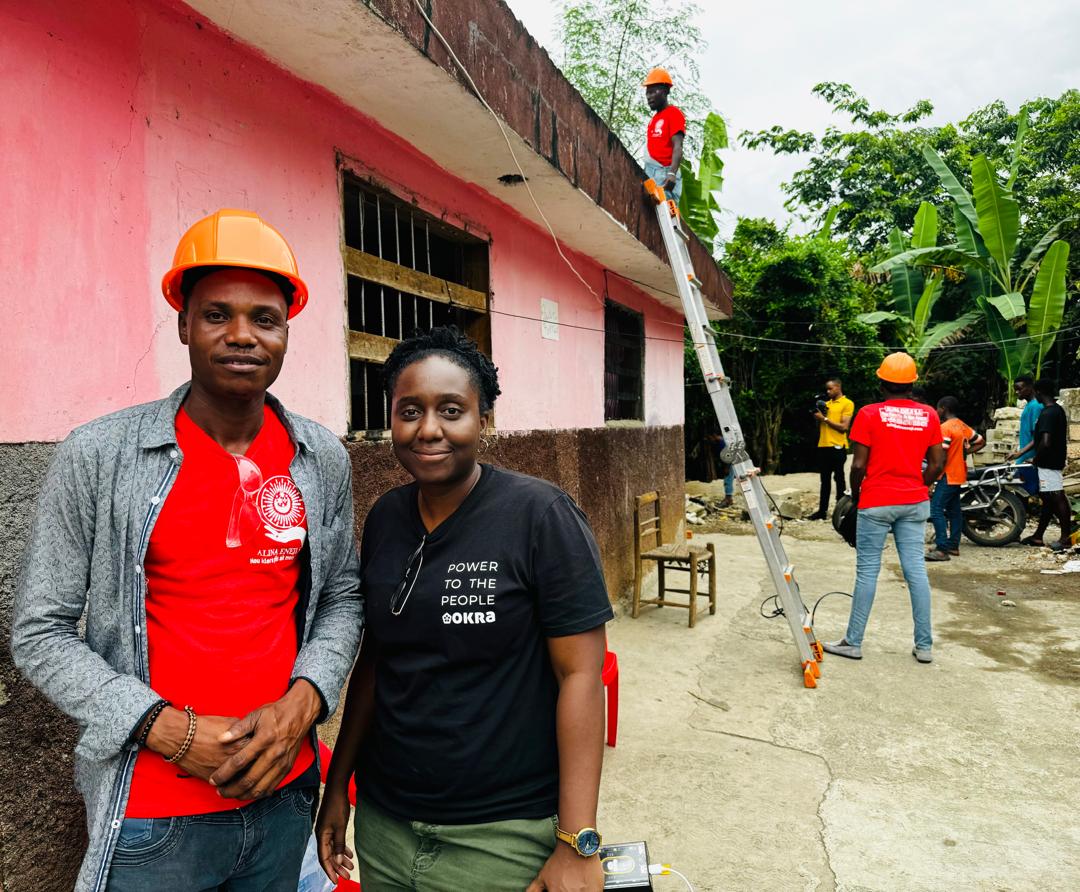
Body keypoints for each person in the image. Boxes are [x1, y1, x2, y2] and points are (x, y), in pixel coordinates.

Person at [10, 209, 363, 892]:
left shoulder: (319, 458)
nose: (242, 336)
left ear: (287, 331)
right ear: (182, 323)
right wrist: (165, 729)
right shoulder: (101, 455)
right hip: (151, 818)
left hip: (285, 796)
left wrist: (305, 702)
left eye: (264, 318)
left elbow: (343, 596)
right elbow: (38, 631)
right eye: (217, 315)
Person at [316, 328, 612, 892]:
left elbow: (581, 675)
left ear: (485, 420)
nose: (429, 429)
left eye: (451, 410)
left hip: (500, 836)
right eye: (410, 411)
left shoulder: (540, 515)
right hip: (386, 826)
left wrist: (578, 840)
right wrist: (339, 788)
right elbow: (376, 663)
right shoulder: (386, 517)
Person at [822, 353, 945, 664]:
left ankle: (853, 642)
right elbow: (937, 463)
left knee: (867, 573)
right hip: (915, 502)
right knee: (916, 572)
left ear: (881, 382)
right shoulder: (929, 415)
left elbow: (859, 464)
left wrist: (856, 492)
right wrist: (921, 483)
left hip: (877, 500)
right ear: (912, 383)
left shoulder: (869, 414)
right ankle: (925, 646)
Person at [926, 396, 985, 561]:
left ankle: (942, 548)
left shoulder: (944, 428)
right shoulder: (962, 425)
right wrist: (964, 453)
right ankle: (953, 545)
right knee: (954, 511)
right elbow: (981, 442)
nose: (937, 411)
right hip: (959, 474)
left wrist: (931, 479)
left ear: (943, 408)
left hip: (947, 475)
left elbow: (942, 457)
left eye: (938, 408)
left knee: (936, 509)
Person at [1022, 378, 1072, 551]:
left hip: (1049, 463)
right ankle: (1038, 536)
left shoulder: (1048, 413)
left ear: (1038, 392)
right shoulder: (1056, 410)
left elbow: (1045, 441)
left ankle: (1066, 537)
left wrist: (1036, 460)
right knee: (1048, 499)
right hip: (1052, 461)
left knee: (1057, 496)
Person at [808, 377, 855, 520]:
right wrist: (818, 417)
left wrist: (824, 419)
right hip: (823, 445)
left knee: (839, 479)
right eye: (827, 389)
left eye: (831, 388)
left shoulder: (847, 403)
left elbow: (844, 427)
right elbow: (821, 426)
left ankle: (841, 511)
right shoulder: (825, 405)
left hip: (838, 446)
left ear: (839, 387)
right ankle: (822, 511)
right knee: (824, 480)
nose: (828, 391)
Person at [643, 67, 685, 202]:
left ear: (666, 91)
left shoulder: (673, 113)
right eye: (647, 93)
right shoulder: (653, 120)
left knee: (665, 211)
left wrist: (672, 173)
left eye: (653, 91)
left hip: (665, 173)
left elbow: (678, 146)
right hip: (651, 172)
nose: (649, 97)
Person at [1005, 374, 1043, 496]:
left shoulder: (1036, 406)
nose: (1017, 392)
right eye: (1015, 389)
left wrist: (1020, 453)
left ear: (1030, 387)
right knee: (1022, 491)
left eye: (1020, 388)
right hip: (1025, 456)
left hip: (1030, 457)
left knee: (1030, 491)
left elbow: (1038, 436)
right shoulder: (1029, 405)